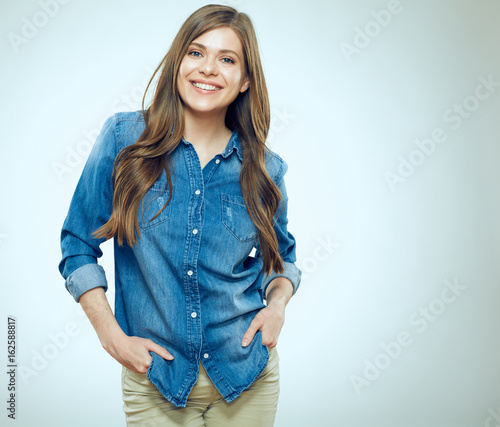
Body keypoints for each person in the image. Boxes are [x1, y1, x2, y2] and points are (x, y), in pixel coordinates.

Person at [58, 4, 302, 426]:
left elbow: (281, 260)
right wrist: (111, 337)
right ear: (177, 63)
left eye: (227, 59)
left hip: (247, 375)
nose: (209, 69)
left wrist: (277, 305)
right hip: (157, 380)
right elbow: (77, 245)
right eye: (196, 53)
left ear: (244, 80)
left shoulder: (264, 169)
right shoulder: (124, 140)